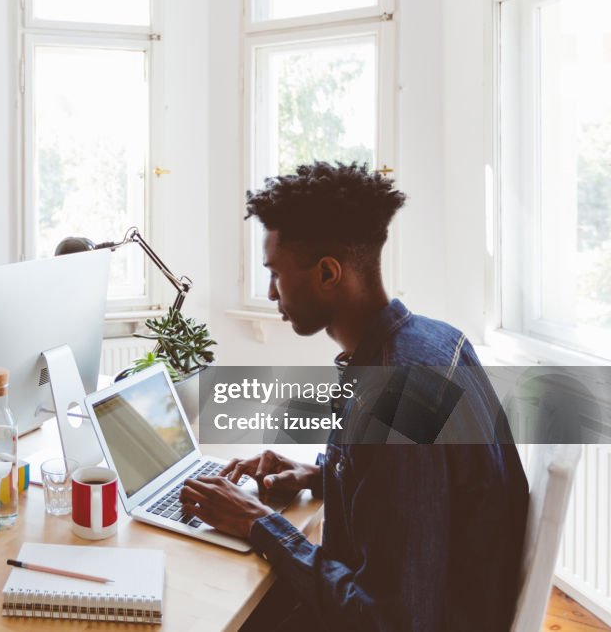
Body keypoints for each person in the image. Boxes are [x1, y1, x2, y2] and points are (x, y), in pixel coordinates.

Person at [179, 162, 528, 631]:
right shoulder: (436, 341)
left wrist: (259, 523)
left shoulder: (397, 396)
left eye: (276, 275)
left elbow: (391, 620)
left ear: (328, 273)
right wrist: (322, 476)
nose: (270, 293)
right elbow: (423, 496)